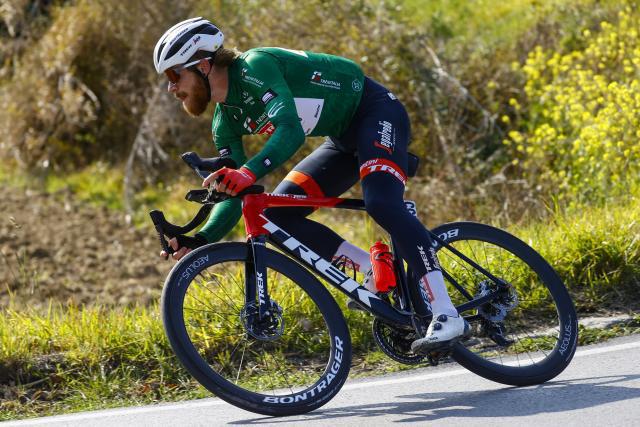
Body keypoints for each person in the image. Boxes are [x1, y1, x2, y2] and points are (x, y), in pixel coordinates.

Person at [153, 17, 469, 352]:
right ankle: (371, 269)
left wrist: (247, 171)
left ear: (202, 65)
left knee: (382, 203)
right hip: (341, 141)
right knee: (277, 217)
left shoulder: (254, 68)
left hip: (375, 113)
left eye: (175, 75)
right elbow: (235, 193)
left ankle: (446, 313)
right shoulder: (224, 122)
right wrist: (199, 239)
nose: (171, 88)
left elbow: (289, 129)